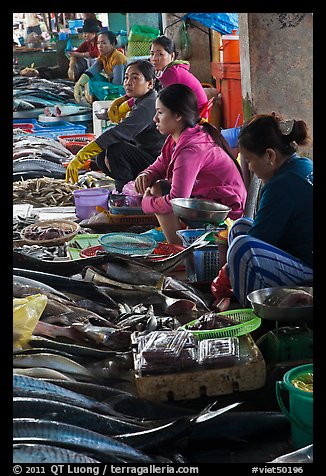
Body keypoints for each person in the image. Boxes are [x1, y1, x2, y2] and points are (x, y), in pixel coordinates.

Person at [211, 113, 313, 308]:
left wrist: (225, 274)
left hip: (309, 270)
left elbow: (257, 243)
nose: (249, 167)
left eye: (249, 160)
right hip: (301, 256)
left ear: (270, 156)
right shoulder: (301, 165)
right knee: (240, 227)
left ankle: (252, 315)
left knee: (242, 248)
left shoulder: (282, 185)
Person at [134, 84, 247, 244]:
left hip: (226, 212)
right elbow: (160, 164)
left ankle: (179, 251)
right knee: (158, 187)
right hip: (207, 200)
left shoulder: (191, 149)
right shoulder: (178, 138)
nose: (155, 119)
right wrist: (147, 174)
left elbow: (176, 199)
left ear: (178, 116)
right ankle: (179, 245)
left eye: (160, 113)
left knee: (157, 193)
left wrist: (147, 203)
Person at [66, 60, 166, 191]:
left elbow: (118, 132)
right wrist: (123, 99)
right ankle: (127, 185)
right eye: (126, 77)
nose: (128, 82)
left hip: (156, 163)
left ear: (150, 83)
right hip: (144, 152)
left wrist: (82, 155)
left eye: (135, 78)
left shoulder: (148, 106)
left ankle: (127, 192)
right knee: (103, 153)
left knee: (116, 149)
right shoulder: (143, 98)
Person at [108, 35, 209, 123]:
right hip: (189, 113)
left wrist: (125, 106)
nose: (154, 58)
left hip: (195, 118)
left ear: (172, 55)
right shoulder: (166, 70)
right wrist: (122, 99)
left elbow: (153, 97)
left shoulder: (172, 73)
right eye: (152, 54)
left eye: (160, 54)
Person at [73, 30, 126, 103]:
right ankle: (95, 101)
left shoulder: (117, 57)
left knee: (95, 85)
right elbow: (91, 71)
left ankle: (105, 101)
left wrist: (101, 87)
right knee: (91, 78)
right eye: (98, 43)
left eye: (104, 43)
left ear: (112, 45)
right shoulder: (103, 56)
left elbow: (118, 83)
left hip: (123, 89)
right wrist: (79, 84)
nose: (100, 46)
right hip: (112, 85)